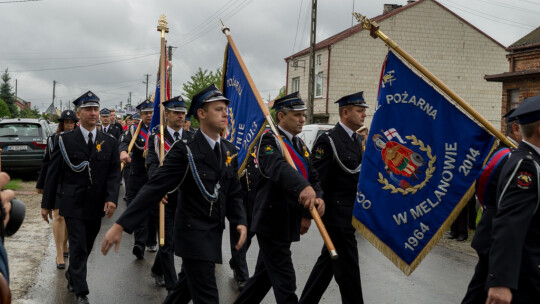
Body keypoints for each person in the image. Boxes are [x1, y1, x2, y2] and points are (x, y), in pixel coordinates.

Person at [102, 84, 247, 304]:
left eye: (226, 109)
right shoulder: (185, 149)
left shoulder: (228, 150)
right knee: (208, 296)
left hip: (213, 233)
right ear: (201, 113)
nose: (225, 113)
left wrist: (240, 221)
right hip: (192, 235)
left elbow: (233, 192)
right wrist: (121, 225)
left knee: (183, 291)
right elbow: (154, 187)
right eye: (218, 109)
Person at [233, 92, 325, 304]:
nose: (302, 119)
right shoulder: (268, 140)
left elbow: (314, 177)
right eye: (297, 115)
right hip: (270, 221)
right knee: (285, 281)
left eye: (303, 115)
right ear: (281, 116)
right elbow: (277, 167)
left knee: (263, 279)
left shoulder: (300, 145)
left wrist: (318, 198)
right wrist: (303, 187)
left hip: (287, 221)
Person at [41, 91, 121, 304]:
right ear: (79, 114)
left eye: (96, 109)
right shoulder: (65, 140)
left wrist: (112, 198)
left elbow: (114, 173)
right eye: (89, 110)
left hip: (96, 205)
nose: (94, 113)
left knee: (87, 243)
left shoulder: (109, 142)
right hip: (72, 202)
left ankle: (72, 275)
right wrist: (46, 204)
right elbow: (53, 173)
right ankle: (81, 291)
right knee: (77, 245)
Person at [299, 92, 367, 304]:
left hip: (350, 214)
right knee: (349, 271)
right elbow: (317, 179)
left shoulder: (356, 140)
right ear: (345, 112)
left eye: (364, 110)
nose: (364, 114)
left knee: (326, 266)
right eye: (359, 110)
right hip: (336, 217)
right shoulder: (328, 140)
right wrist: (308, 214)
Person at [485, 95, 540, 304]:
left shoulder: (531, 160)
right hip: (527, 274)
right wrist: (501, 282)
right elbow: (509, 223)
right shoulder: (525, 166)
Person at [461, 109, 521, 303]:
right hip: (497, 234)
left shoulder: (502, 152)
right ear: (515, 129)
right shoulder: (510, 158)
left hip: (489, 230)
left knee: (479, 289)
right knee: (484, 291)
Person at [146, 95, 193, 291]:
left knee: (177, 240)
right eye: (177, 113)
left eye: (183, 113)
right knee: (166, 241)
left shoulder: (192, 137)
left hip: (186, 197)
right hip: (165, 196)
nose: (181, 116)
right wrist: (159, 188)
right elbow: (152, 165)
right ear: (167, 115)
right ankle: (172, 287)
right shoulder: (157, 138)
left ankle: (158, 268)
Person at [36, 109, 78, 270]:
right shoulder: (53, 139)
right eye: (66, 123)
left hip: (73, 182)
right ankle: (59, 253)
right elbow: (47, 163)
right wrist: (41, 184)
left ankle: (65, 244)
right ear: (61, 124)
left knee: (68, 217)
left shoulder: (79, 139)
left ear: (75, 124)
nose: (69, 125)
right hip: (58, 182)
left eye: (71, 123)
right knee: (59, 215)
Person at [119, 100, 158, 258]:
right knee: (139, 209)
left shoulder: (159, 130)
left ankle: (151, 241)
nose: (149, 115)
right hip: (138, 176)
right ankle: (139, 244)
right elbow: (124, 143)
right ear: (141, 115)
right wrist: (123, 153)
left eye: (151, 112)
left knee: (153, 211)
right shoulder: (134, 130)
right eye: (146, 113)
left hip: (154, 176)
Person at [229, 152, 258, 291]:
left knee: (249, 235)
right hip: (239, 198)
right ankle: (242, 277)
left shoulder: (261, 143)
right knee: (239, 235)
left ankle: (235, 261)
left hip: (255, 199)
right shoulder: (240, 146)